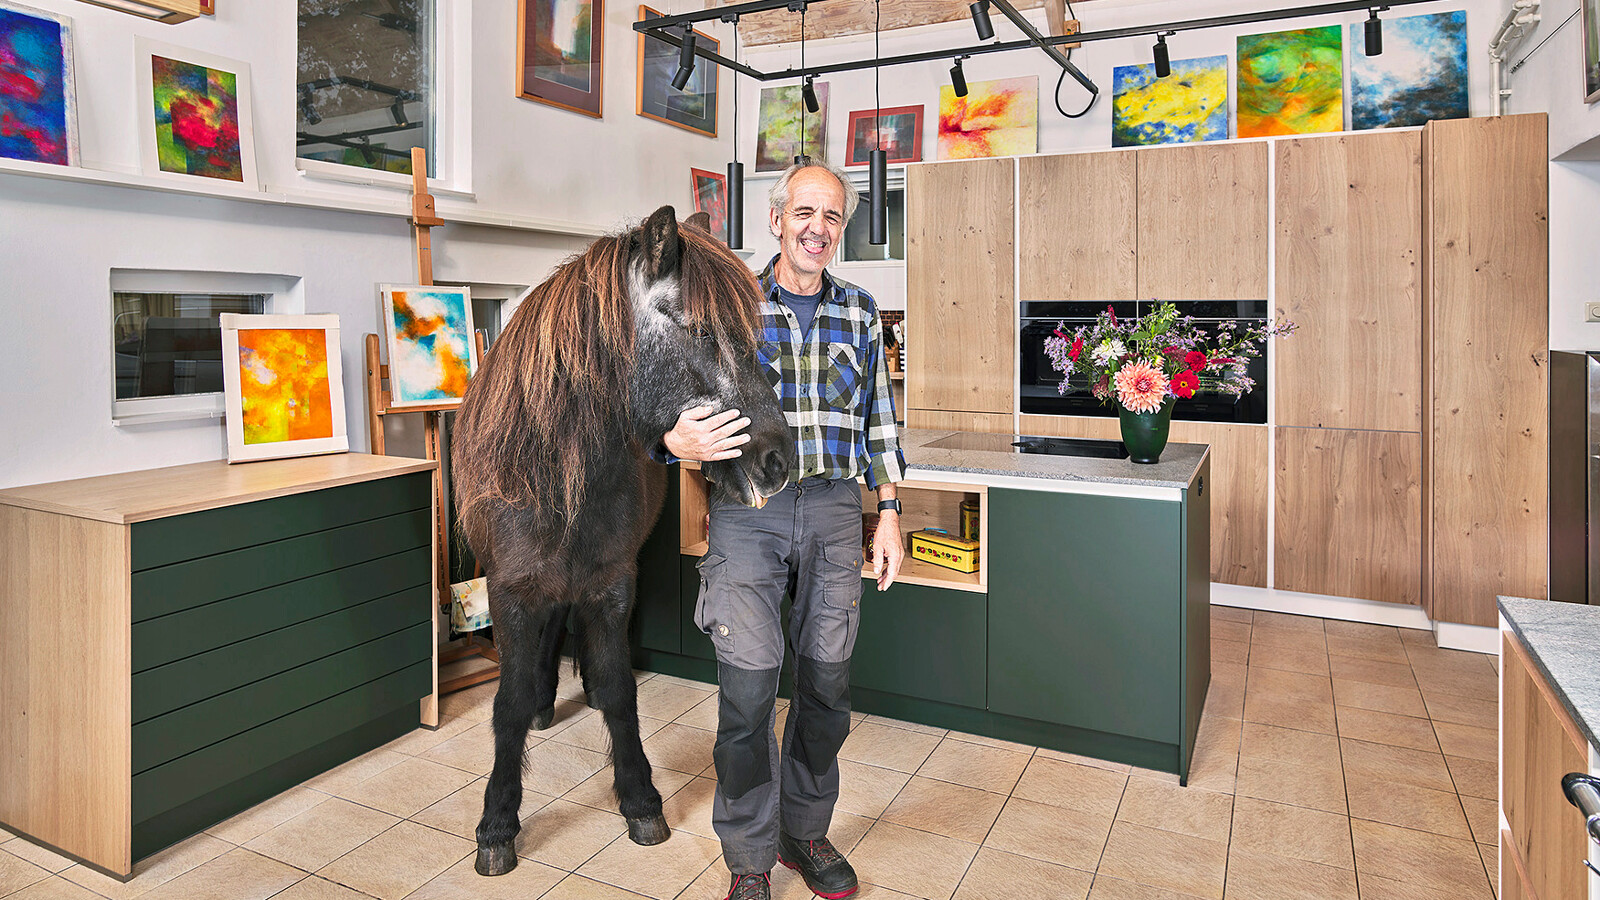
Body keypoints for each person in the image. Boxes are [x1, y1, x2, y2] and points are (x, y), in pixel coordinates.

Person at [660, 158, 906, 900]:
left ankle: (803, 831)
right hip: (748, 514)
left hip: (833, 511)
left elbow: (878, 423)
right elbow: (663, 404)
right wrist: (672, 442)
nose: (818, 229)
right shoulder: (725, 307)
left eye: (832, 216)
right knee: (748, 692)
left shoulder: (861, 310)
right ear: (776, 220)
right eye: (805, 213)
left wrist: (888, 511)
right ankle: (749, 857)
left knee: (827, 685)